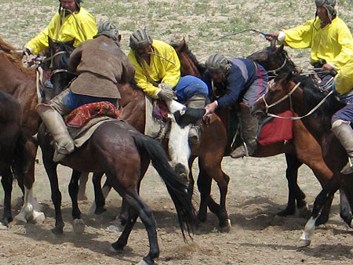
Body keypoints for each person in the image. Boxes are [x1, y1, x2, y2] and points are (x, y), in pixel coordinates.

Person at [266, 0, 353, 174]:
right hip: (318, 70)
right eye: (318, 8)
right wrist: (280, 36)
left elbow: (349, 51)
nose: (319, 11)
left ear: (329, 10)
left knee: (326, 99)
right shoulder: (316, 24)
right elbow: (302, 32)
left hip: (334, 72)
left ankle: (340, 141)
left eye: (322, 9)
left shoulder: (340, 27)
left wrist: (333, 63)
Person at [36, 21, 135, 162]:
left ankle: (64, 141)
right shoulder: (120, 53)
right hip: (111, 98)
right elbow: (129, 76)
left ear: (98, 34)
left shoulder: (87, 43)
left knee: (49, 107)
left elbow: (71, 64)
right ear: (116, 37)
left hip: (80, 92)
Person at [128, 28, 208, 144]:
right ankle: (153, 133)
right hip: (148, 89)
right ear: (135, 50)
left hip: (170, 84)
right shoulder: (132, 59)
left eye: (147, 47)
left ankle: (193, 126)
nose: (146, 50)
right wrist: (157, 92)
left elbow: (173, 69)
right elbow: (140, 81)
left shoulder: (164, 48)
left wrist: (167, 85)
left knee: (199, 86)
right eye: (141, 49)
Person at [204, 54, 268, 158]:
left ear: (224, 69)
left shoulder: (235, 74)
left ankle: (250, 145)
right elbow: (206, 90)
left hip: (257, 77)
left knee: (247, 105)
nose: (214, 76)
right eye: (212, 73)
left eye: (217, 73)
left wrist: (215, 104)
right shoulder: (209, 73)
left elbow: (232, 96)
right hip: (243, 77)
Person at [23, 0, 97, 56]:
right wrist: (30, 47)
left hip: (76, 60)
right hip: (57, 58)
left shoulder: (84, 18)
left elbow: (92, 45)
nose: (66, 5)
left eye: (69, 2)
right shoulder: (59, 17)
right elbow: (46, 35)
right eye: (64, 2)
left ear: (76, 1)